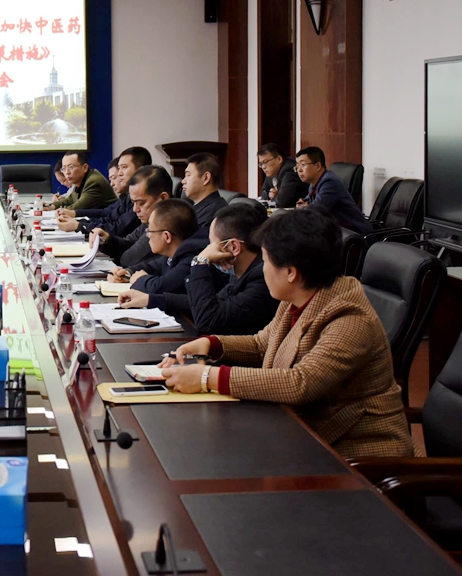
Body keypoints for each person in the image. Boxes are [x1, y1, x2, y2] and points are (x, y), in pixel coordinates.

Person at [159, 209, 413, 459]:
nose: (262, 269)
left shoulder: (350, 319)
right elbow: (261, 345)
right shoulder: (298, 297)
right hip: (302, 434)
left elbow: (301, 383)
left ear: (291, 272)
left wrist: (208, 377)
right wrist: (210, 344)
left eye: (266, 261)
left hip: (356, 454)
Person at [119, 202, 278, 335]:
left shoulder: (261, 279)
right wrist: (151, 300)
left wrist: (199, 263)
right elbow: (212, 302)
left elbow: (208, 321)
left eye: (211, 244)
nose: (207, 249)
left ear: (233, 247)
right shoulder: (239, 270)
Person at [94, 165, 173, 274]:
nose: (135, 209)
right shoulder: (148, 220)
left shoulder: (167, 225)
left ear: (163, 198)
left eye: (141, 203)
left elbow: (128, 260)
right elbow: (128, 243)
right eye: (133, 203)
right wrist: (106, 239)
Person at [118, 198, 204, 296]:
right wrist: (126, 273)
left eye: (150, 231)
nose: (148, 235)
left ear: (167, 236)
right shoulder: (171, 255)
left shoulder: (192, 260)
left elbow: (160, 287)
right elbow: (151, 267)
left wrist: (140, 280)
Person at [57, 147, 149, 237]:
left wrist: (78, 225)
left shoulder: (142, 199)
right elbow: (107, 217)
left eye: (124, 167)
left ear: (140, 170)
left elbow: (117, 229)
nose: (120, 173)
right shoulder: (127, 197)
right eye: (119, 168)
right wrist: (78, 222)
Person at [293, 146, 373, 234]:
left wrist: (303, 207)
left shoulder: (330, 182)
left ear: (318, 166)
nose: (299, 170)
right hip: (337, 231)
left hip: (354, 234)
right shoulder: (314, 184)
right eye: (297, 165)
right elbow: (306, 202)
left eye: (303, 165)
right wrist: (304, 205)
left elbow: (316, 210)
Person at [50, 151, 117, 211]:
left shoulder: (93, 182)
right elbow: (69, 201)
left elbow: (78, 208)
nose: (67, 172)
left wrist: (60, 210)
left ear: (85, 167)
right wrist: (50, 206)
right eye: (64, 168)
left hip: (110, 219)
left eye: (71, 167)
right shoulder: (79, 181)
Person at [180, 152, 228, 229]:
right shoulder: (198, 207)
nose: (183, 181)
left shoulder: (212, 215)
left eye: (188, 175)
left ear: (206, 178)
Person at [256, 143, 306, 207]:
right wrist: (269, 194)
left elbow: (282, 201)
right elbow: (263, 191)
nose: (263, 167)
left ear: (279, 159)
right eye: (261, 164)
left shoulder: (289, 171)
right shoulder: (271, 172)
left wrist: (273, 198)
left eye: (265, 162)